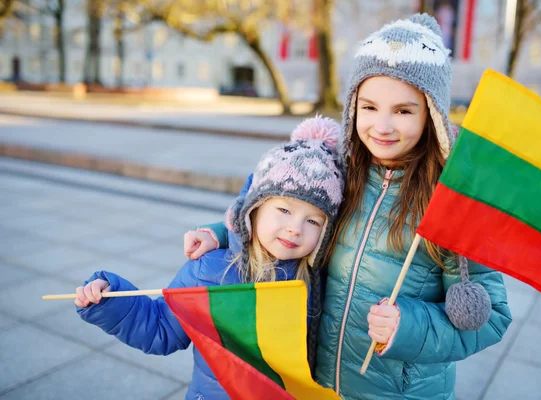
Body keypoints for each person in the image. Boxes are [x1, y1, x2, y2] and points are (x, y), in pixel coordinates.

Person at [185, 14, 512, 399]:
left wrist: (408, 327)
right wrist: (220, 233)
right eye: (369, 107)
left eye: (404, 111)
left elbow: (490, 318)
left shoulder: (452, 200)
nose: (382, 126)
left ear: (432, 115)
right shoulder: (338, 172)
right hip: (321, 382)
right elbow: (273, 205)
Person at [74, 115, 345, 400]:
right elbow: (162, 329)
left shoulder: (319, 276)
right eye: (284, 210)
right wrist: (110, 301)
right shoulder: (211, 269)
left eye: (314, 221)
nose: (295, 228)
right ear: (254, 208)